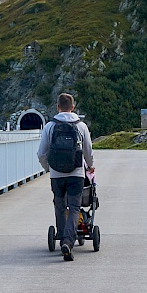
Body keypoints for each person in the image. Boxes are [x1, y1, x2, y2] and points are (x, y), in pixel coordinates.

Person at [37, 93, 95, 261]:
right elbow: (88, 151)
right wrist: (90, 166)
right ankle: (68, 242)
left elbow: (41, 153)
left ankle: (62, 236)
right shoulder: (81, 126)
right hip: (76, 173)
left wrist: (48, 167)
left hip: (57, 175)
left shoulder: (50, 126)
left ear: (57, 107)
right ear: (73, 107)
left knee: (60, 205)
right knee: (75, 207)